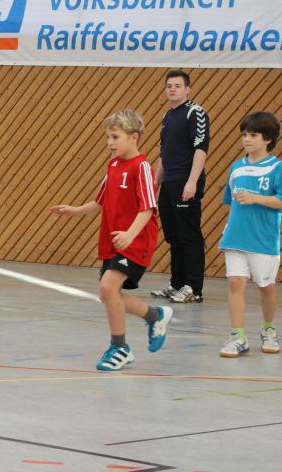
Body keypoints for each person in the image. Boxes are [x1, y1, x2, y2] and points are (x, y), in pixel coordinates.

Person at [51, 109, 173, 371]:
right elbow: (100, 202)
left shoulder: (141, 167)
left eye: (115, 137)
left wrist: (130, 234)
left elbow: (148, 208)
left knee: (108, 288)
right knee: (109, 294)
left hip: (135, 241)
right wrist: (75, 210)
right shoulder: (114, 165)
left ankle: (120, 347)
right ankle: (155, 316)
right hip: (114, 240)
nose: (110, 143)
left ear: (133, 137)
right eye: (108, 137)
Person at [218, 112, 282, 358]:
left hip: (263, 239)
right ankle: (237, 336)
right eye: (244, 135)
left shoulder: (278, 168)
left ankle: (268, 329)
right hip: (235, 237)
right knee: (235, 283)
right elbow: (232, 202)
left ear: (268, 139)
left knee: (266, 286)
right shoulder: (236, 167)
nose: (246, 139)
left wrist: (256, 198)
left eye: (253, 135)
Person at [151, 70, 210, 304]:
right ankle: (177, 283)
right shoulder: (168, 115)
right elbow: (164, 153)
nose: (172, 89)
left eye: (177, 85)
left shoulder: (195, 113)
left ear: (187, 89)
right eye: (169, 86)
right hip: (169, 181)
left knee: (189, 235)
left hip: (186, 180)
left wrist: (192, 182)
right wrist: (156, 182)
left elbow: (200, 149)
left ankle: (194, 287)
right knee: (173, 234)